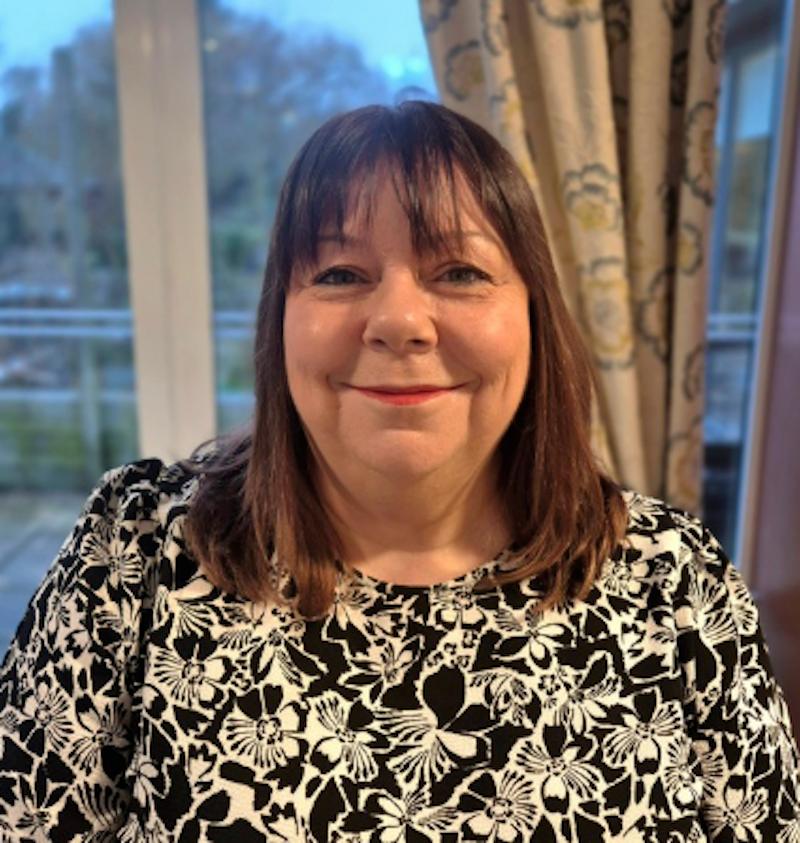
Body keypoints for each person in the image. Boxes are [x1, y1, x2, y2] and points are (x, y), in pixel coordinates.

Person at [0, 101, 797, 842]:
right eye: (340, 274)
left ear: (534, 315)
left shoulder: (677, 578)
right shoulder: (137, 552)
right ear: (282, 316)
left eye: (459, 272)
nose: (399, 322)